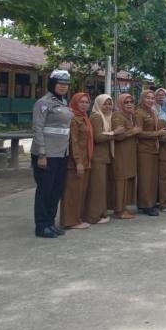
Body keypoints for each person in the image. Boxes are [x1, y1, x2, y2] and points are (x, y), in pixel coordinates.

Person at [30, 69, 73, 238]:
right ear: (53, 84)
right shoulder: (43, 102)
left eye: (66, 85)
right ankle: (41, 226)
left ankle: (50, 222)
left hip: (61, 153)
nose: (63, 87)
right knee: (45, 190)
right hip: (47, 154)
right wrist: (41, 154)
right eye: (60, 84)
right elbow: (37, 128)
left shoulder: (63, 103)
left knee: (56, 190)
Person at [60, 92, 93, 230]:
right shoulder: (74, 119)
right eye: (81, 102)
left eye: (86, 102)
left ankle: (76, 218)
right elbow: (73, 141)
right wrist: (78, 161)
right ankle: (70, 220)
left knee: (79, 191)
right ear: (75, 103)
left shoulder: (85, 117)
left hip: (86, 160)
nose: (84, 104)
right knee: (72, 192)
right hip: (75, 162)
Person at [85, 94, 117, 225]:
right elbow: (97, 137)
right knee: (97, 187)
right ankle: (93, 216)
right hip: (98, 157)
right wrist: (115, 133)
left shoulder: (107, 117)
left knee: (102, 187)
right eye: (105, 103)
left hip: (104, 156)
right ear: (98, 104)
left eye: (110, 103)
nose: (108, 106)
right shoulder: (96, 117)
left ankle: (100, 212)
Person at [135, 89, 166, 216]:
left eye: (152, 98)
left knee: (152, 179)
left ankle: (151, 202)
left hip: (154, 149)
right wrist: (157, 134)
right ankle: (145, 205)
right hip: (144, 150)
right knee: (145, 178)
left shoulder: (153, 112)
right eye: (147, 98)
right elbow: (139, 132)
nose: (150, 100)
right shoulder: (139, 113)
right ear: (142, 99)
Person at [111, 93, 141, 219]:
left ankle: (123, 208)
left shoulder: (130, 116)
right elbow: (117, 136)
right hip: (121, 154)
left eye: (131, 101)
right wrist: (132, 132)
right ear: (120, 104)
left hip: (129, 154)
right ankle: (119, 210)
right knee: (120, 181)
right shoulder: (118, 115)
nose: (129, 104)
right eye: (126, 102)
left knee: (126, 181)